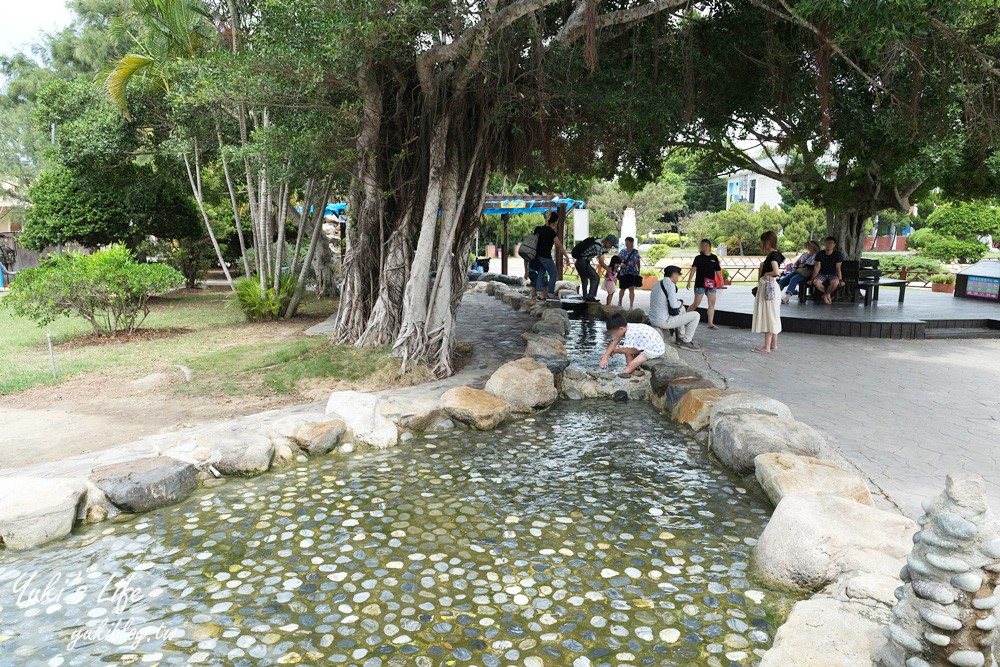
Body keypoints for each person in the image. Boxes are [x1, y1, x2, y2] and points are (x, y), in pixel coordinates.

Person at [599, 313, 666, 378]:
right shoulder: (627, 327)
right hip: (649, 344)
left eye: (614, 333)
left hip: (654, 349)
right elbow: (614, 342)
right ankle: (633, 371)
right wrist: (604, 357)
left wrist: (615, 351)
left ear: (621, 329)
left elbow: (628, 350)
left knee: (631, 363)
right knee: (627, 351)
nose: (613, 335)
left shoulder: (630, 333)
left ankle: (623, 375)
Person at [651, 265, 701, 350]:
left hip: (653, 319)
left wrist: (679, 304)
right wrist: (680, 302)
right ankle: (686, 341)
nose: (678, 277)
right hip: (663, 321)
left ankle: (680, 337)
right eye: (678, 275)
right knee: (696, 315)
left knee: (682, 309)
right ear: (674, 274)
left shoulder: (657, 283)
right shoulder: (670, 285)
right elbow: (674, 305)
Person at [752, 230, 784, 353]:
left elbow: (776, 272)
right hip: (771, 287)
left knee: (769, 316)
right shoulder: (777, 253)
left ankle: (766, 346)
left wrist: (766, 273)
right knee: (773, 315)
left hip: (769, 287)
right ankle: (773, 344)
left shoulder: (772, 255)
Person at [686, 239, 722, 329]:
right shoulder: (698, 258)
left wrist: (721, 280)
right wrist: (689, 281)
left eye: (706, 246)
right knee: (696, 303)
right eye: (702, 246)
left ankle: (710, 323)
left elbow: (717, 270)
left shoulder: (714, 258)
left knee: (712, 303)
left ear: (709, 246)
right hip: (700, 283)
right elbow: (693, 269)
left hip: (711, 284)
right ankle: (685, 318)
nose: (704, 248)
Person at [534, 212, 571, 301]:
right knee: (554, 273)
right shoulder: (551, 232)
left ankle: (539, 294)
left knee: (541, 273)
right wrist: (566, 256)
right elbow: (559, 245)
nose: (557, 223)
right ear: (554, 222)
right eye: (557, 221)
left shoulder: (539, 229)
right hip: (546, 256)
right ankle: (550, 294)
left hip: (537, 256)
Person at [571, 234, 618, 302]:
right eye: (611, 245)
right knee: (595, 278)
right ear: (607, 241)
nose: (610, 247)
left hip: (580, 262)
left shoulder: (597, 241)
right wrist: (608, 269)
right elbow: (601, 262)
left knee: (584, 280)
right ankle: (590, 297)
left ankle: (585, 298)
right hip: (583, 263)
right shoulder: (598, 246)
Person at [779, 240, 820, 304]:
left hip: (807, 273)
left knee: (793, 279)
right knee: (786, 278)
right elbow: (798, 262)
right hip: (799, 271)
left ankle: (787, 297)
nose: (808, 247)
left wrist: (803, 265)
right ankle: (777, 293)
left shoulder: (817, 255)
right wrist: (798, 266)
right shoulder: (805, 254)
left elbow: (812, 266)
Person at [812, 236, 845, 304]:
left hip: (833, 274)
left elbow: (838, 268)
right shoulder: (820, 254)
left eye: (831, 243)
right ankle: (827, 294)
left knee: (835, 283)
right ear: (824, 244)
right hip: (822, 273)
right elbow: (817, 267)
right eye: (827, 243)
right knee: (816, 282)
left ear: (834, 245)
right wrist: (812, 279)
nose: (829, 245)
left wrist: (840, 280)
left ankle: (825, 295)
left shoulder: (838, 255)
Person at [617, 237, 641, 309]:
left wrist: (638, 270)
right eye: (625, 242)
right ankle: (620, 302)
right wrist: (620, 264)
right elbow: (618, 260)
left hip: (632, 272)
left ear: (631, 243)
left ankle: (631, 305)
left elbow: (638, 261)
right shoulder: (622, 251)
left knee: (631, 289)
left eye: (628, 242)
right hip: (624, 272)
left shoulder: (635, 252)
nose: (626, 243)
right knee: (622, 288)